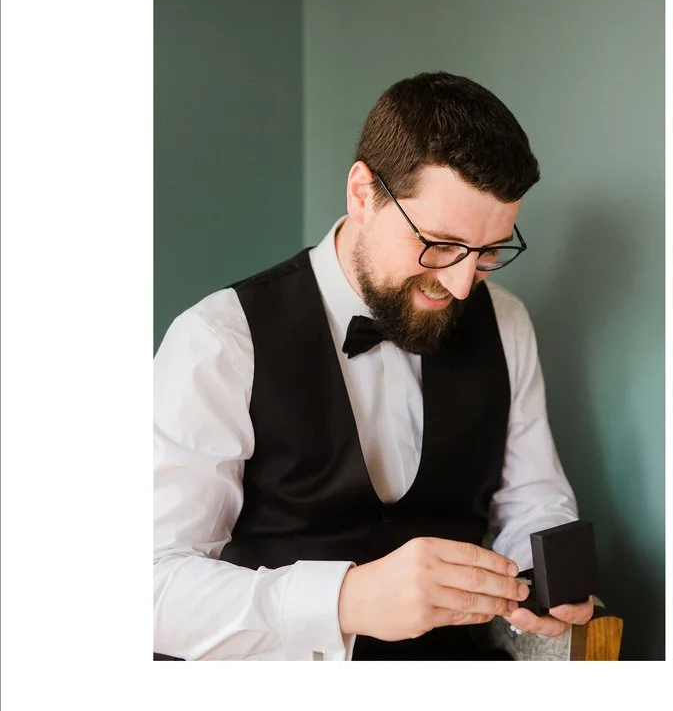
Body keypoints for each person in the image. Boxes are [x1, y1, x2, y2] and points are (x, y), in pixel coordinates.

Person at [154, 73, 591, 659]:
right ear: (363, 194)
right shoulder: (218, 340)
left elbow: (535, 499)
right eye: (439, 244)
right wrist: (345, 600)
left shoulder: (505, 321)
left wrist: (551, 573)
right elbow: (152, 588)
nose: (463, 285)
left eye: (489, 252)